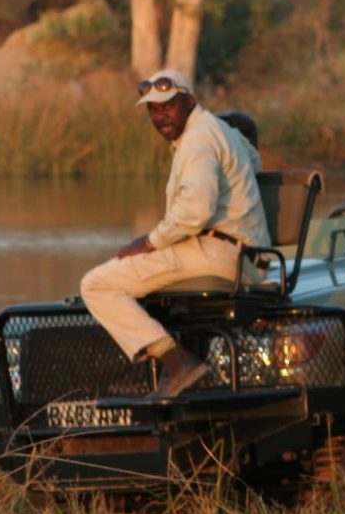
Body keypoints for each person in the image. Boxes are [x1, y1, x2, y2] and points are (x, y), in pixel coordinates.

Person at [78, 68, 269, 397]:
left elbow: (196, 211)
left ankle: (177, 365)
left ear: (189, 101)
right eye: (153, 109)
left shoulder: (198, 142)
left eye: (168, 105)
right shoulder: (218, 129)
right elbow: (254, 162)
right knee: (127, 277)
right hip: (243, 255)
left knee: (96, 284)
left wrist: (150, 242)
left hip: (217, 255)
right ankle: (153, 372)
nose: (160, 115)